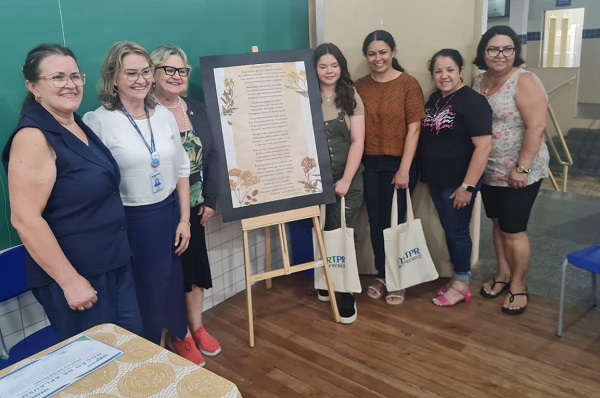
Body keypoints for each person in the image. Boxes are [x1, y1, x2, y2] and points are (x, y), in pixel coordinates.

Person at [2, 44, 143, 340]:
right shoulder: (33, 137)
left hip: (113, 266)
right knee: (101, 371)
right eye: (57, 77)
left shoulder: (74, 122)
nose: (71, 84)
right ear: (33, 87)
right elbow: (25, 219)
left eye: (75, 76)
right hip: (79, 278)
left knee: (132, 354)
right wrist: (70, 282)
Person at [83, 42, 193, 352]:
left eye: (145, 72)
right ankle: (147, 361)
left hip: (169, 217)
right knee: (143, 299)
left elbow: (181, 168)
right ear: (112, 78)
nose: (140, 80)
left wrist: (184, 218)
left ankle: (164, 356)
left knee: (168, 293)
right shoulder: (99, 121)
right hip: (131, 224)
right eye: (130, 73)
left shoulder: (162, 115)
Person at [150, 45, 221, 366]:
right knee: (169, 275)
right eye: (169, 70)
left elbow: (214, 155)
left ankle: (197, 326)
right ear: (153, 73)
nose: (177, 77)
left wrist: (210, 200)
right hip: (160, 210)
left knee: (194, 272)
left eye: (183, 71)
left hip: (194, 207)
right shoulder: (146, 112)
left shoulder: (196, 108)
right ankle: (180, 334)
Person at [472, 26, 550, 315]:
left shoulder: (525, 81)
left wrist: (522, 167)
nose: (500, 55)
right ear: (483, 52)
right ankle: (503, 274)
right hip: (490, 169)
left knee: (514, 230)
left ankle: (519, 285)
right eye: (493, 49)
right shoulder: (479, 81)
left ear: (515, 52)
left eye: (507, 49)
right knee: (497, 223)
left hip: (520, 171)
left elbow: (537, 127)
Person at [355, 30, 425, 305]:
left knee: (397, 224)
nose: (378, 58)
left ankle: (400, 279)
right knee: (377, 223)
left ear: (393, 52)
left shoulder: (408, 84)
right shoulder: (360, 85)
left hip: (400, 164)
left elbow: (414, 129)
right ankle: (383, 274)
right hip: (370, 165)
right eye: (372, 53)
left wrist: (404, 169)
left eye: (383, 52)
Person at [419, 49, 492, 307]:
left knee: (458, 232)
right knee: (451, 231)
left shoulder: (473, 102)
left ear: (461, 71)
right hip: (437, 180)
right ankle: (457, 278)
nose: (444, 75)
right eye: (438, 71)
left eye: (450, 70)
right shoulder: (433, 100)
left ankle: (461, 284)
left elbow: (483, 147)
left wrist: (468, 186)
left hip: (458, 182)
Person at [313, 43, 365, 324]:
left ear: (341, 67)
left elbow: (358, 141)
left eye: (334, 65)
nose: (329, 71)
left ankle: (347, 292)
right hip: (317, 180)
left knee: (345, 232)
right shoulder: (305, 97)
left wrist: (346, 179)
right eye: (323, 66)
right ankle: (326, 280)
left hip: (348, 179)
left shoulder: (351, 96)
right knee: (322, 232)